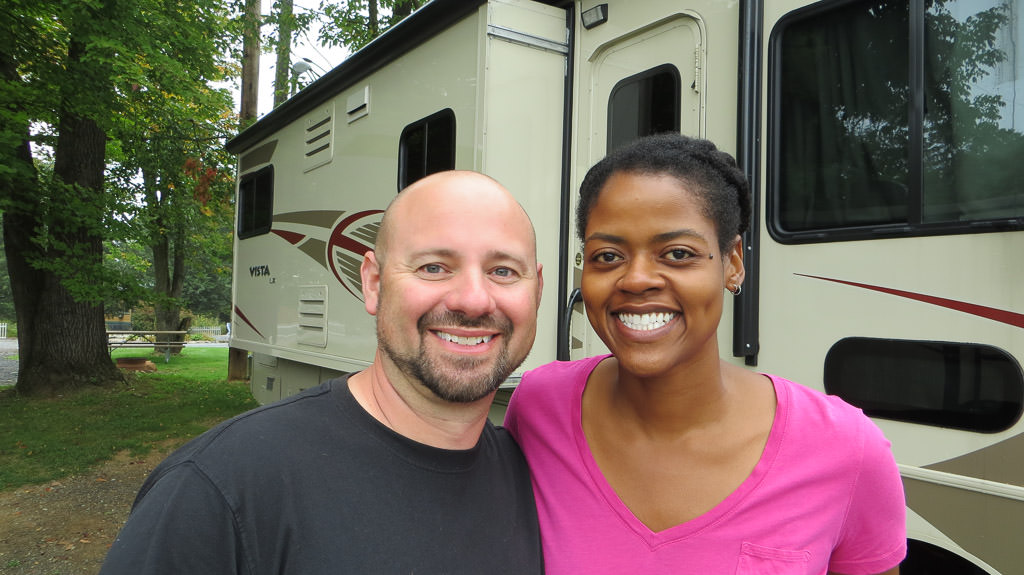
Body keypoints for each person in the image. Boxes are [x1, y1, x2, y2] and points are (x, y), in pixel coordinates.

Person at [100, 171, 545, 574]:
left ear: (537, 291)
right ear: (372, 282)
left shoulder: (534, 481)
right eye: (433, 267)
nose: (473, 299)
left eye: (503, 271)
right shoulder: (221, 489)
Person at [505, 134, 906, 574]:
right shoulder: (539, 408)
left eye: (678, 253)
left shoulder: (847, 450)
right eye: (608, 255)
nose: (636, 279)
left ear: (732, 262)